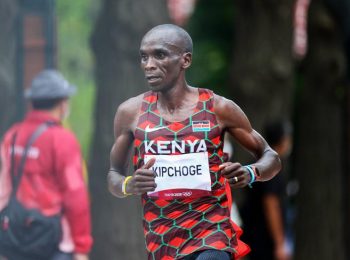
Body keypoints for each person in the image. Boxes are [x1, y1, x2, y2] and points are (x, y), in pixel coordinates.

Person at [107, 24, 281, 260]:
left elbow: (271, 157)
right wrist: (129, 184)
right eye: (144, 57)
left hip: (212, 231)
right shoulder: (131, 113)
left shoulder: (218, 108)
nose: (148, 64)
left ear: (185, 60)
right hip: (162, 238)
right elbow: (113, 176)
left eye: (159, 55)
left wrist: (251, 172)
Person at [0, 70, 93, 260]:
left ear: (32, 102)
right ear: (62, 103)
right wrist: (81, 247)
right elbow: (75, 195)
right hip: (55, 243)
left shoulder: (13, 135)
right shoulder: (62, 139)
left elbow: (3, 190)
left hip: (16, 239)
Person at [241, 120, 293, 260]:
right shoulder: (272, 167)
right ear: (282, 140)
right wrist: (279, 243)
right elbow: (271, 204)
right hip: (264, 239)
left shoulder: (258, 162)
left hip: (252, 234)